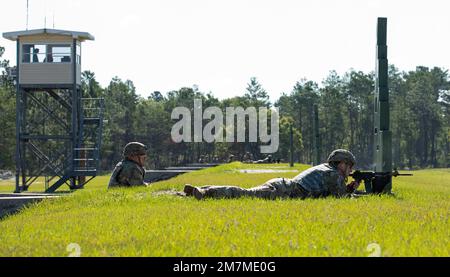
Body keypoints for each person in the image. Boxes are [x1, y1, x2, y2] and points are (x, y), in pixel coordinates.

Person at [183, 149, 361, 200]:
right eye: (349, 166)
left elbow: (335, 193)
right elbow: (340, 198)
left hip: (283, 185)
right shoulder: (334, 175)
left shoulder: (325, 169)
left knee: (247, 193)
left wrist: (349, 188)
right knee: (244, 194)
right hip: (284, 191)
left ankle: (200, 190)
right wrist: (352, 192)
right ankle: (205, 192)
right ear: (341, 163)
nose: (350, 170)